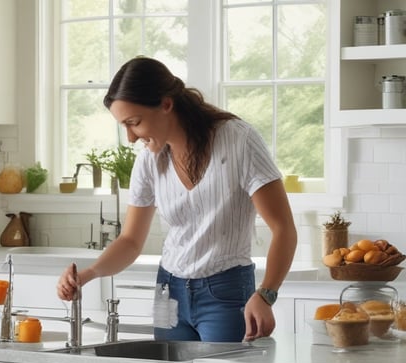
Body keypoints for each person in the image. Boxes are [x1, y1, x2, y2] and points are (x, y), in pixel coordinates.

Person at [57, 56, 297, 342]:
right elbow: (131, 241)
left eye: (134, 122)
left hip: (226, 290)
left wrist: (266, 294)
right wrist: (88, 274)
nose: (131, 138)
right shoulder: (149, 160)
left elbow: (283, 228)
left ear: (166, 104)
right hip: (168, 290)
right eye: (124, 126)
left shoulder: (238, 141)